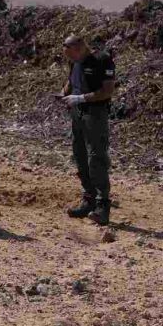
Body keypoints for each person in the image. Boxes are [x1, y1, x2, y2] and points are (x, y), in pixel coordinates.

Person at [60, 35, 116, 225]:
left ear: (80, 48)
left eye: (72, 55)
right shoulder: (75, 62)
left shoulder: (102, 60)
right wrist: (64, 93)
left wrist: (81, 98)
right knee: (80, 154)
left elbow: (108, 90)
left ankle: (102, 205)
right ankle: (89, 199)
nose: (71, 60)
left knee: (96, 156)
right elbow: (71, 81)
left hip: (95, 114)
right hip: (78, 114)